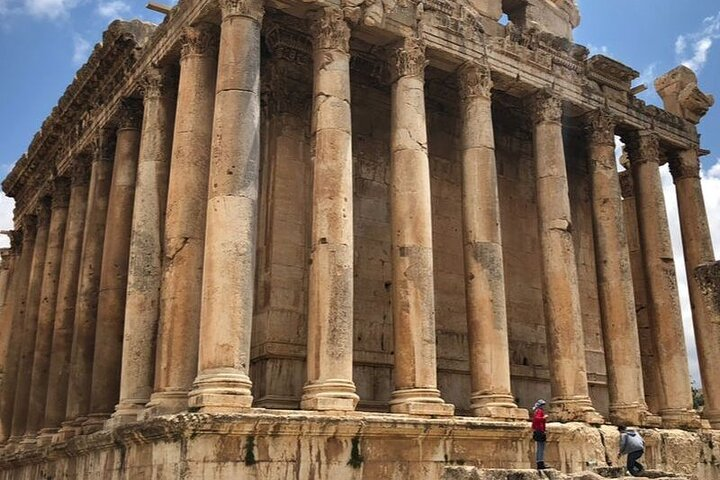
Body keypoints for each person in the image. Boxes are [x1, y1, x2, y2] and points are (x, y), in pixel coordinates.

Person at [532, 399, 548, 470]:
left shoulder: (537, 411)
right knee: (541, 447)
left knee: (539, 447)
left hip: (538, 430)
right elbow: (536, 419)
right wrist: (543, 418)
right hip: (540, 431)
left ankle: (539, 462)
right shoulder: (539, 411)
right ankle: (540, 462)